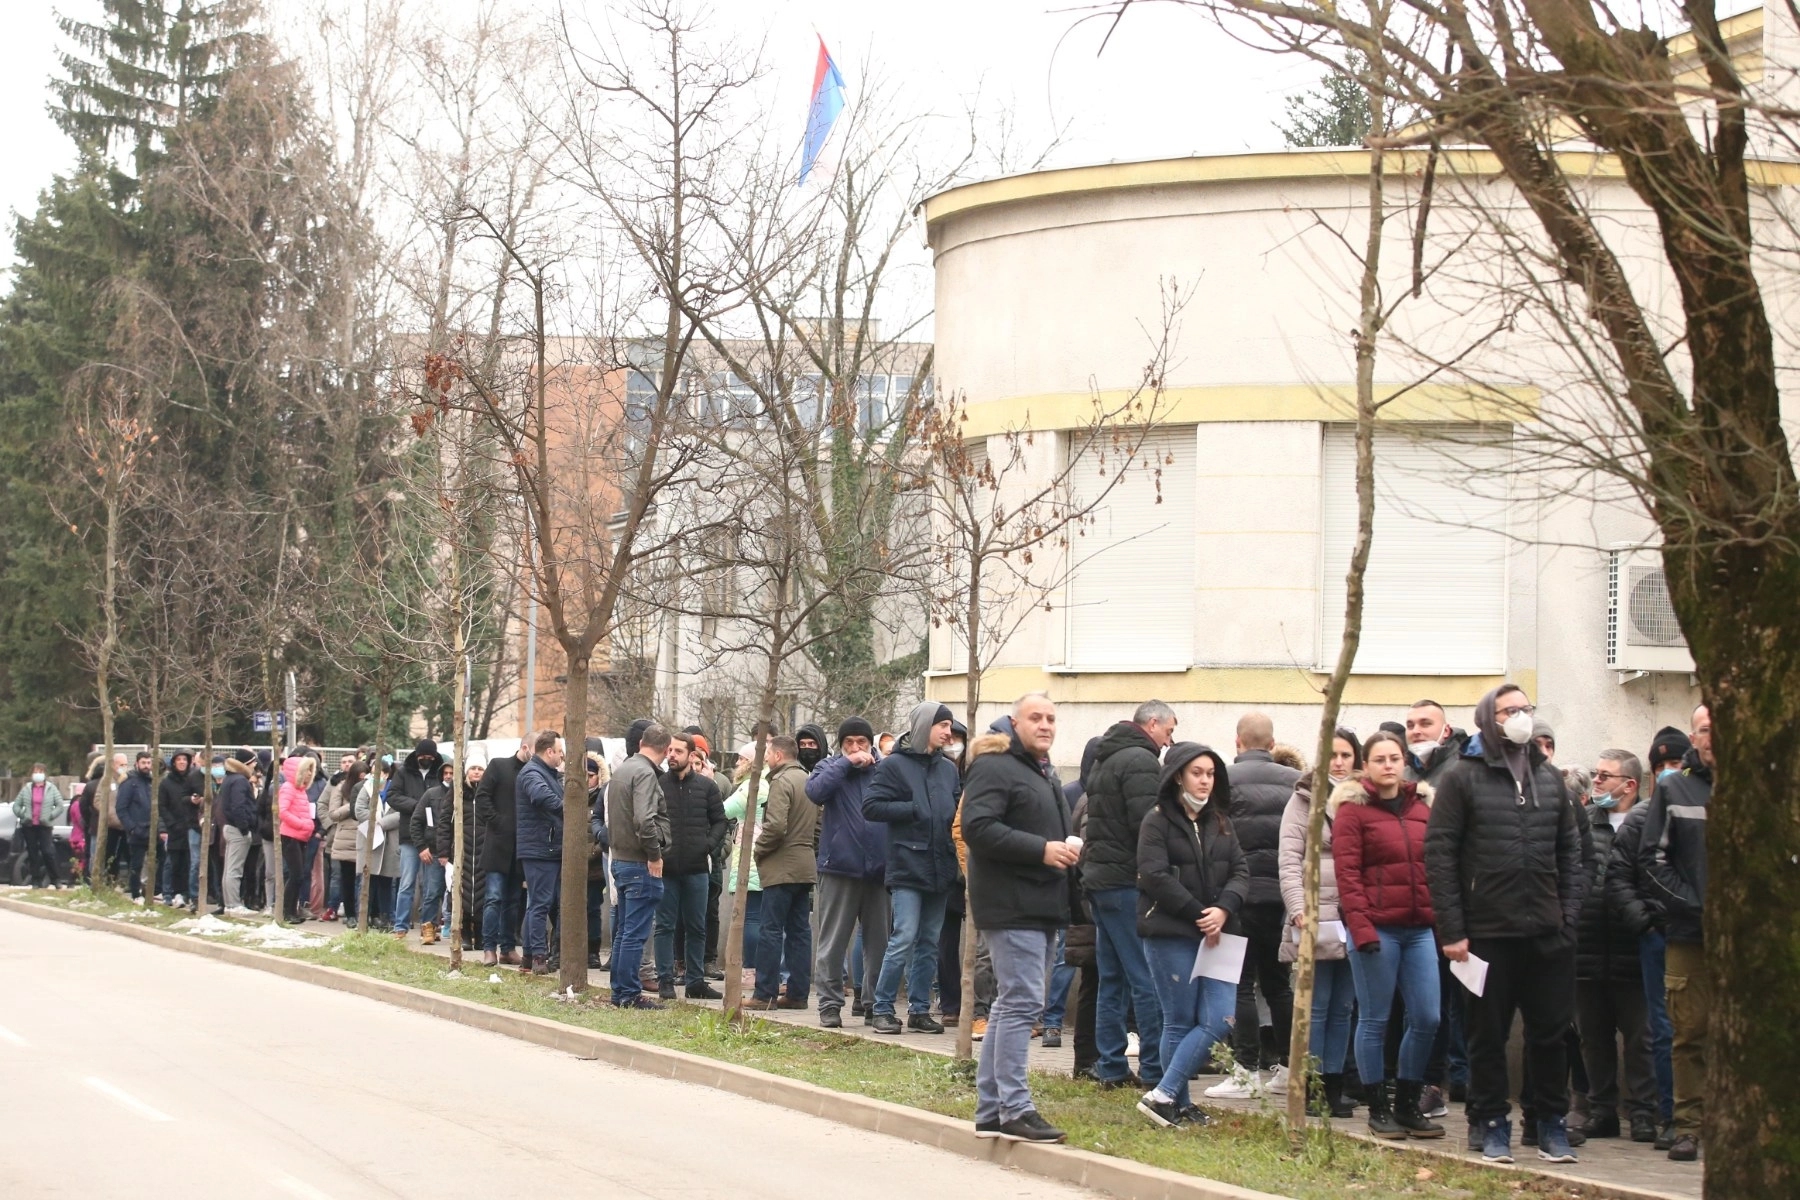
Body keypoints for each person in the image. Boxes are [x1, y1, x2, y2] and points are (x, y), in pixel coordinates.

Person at [1425, 683, 1584, 1165]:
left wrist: (1567, 919)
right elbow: (1440, 856)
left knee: (1550, 1035)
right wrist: (1453, 930)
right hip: (1486, 933)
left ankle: (1550, 1123)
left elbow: (1571, 853)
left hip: (1547, 934)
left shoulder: (1550, 778)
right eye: (1508, 710)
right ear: (1486, 720)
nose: (1519, 717)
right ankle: (1491, 1124)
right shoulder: (1461, 778)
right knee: (1487, 1036)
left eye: (1524, 708)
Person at [962, 693, 1074, 1144]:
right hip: (1010, 904)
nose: (1045, 725)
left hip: (1041, 902)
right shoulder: (995, 764)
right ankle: (1015, 1108)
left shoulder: (1042, 770)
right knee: (1022, 1003)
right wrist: (1041, 850)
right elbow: (978, 828)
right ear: (1014, 722)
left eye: (1051, 718)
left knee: (1013, 1003)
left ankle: (992, 1109)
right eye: (1036, 717)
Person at [1133, 740, 1248, 1129]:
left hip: (1223, 932)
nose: (1205, 781)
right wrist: (1200, 914)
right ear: (1178, 776)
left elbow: (1241, 871)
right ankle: (1178, 1104)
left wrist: (1224, 909)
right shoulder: (1156, 820)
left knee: (1221, 1019)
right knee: (1179, 1019)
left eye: (1211, 774)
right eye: (1197, 773)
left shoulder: (1221, 821)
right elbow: (1154, 875)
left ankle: (1162, 1094)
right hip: (1172, 931)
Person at [1334, 731, 1443, 1139]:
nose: (1388, 766)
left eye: (1394, 758)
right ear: (1366, 766)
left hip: (1419, 929)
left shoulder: (1422, 808)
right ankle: (1378, 1107)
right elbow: (1347, 875)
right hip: (1376, 929)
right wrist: (1361, 929)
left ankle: (1408, 1104)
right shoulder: (1352, 811)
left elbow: (1436, 867)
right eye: (1379, 759)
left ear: (1404, 762)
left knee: (1427, 1016)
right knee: (1375, 1019)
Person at [1079, 700, 1176, 1089]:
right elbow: (1148, 827)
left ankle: (1112, 1066)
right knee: (1144, 977)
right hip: (1123, 883)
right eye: (1168, 731)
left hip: (1100, 881)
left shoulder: (1107, 755)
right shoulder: (1140, 760)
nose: (1169, 741)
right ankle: (1153, 1068)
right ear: (1152, 723)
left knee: (1112, 978)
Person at [1211, 712, 1300, 1098]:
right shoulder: (1295, 782)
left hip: (1238, 897)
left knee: (1240, 983)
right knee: (1279, 985)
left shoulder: (1223, 781)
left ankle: (1245, 1071)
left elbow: (1215, 843)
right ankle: (1289, 1068)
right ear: (1272, 743)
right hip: (1282, 899)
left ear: (1238, 742)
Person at [1607, 728, 1688, 1150]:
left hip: (1696, 935)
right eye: (1661, 766)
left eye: (1675, 763)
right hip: (1657, 937)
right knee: (1662, 1029)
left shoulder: (1700, 809)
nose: (1668, 771)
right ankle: (1669, 1115)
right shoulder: (1640, 819)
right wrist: (1646, 923)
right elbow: (1619, 877)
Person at [1637, 705, 1711, 1163]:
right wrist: (1697, 907)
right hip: (1690, 934)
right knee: (1688, 1033)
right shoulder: (1674, 788)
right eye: (1705, 729)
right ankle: (1688, 1126)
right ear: (1693, 736)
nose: (1713, 736)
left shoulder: (1765, 784)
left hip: (1752, 940)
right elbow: (1653, 861)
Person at [862, 701, 963, 1035]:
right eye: (942, 725)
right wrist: (913, 808)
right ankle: (882, 1008)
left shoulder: (948, 769)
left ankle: (919, 1011)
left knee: (929, 941)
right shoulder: (894, 765)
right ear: (924, 726)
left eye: (949, 725)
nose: (948, 732)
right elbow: (871, 806)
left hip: (941, 866)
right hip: (907, 865)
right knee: (903, 936)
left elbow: (957, 812)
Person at [1576, 748, 1657, 1144]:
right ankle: (1602, 1111)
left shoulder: (1648, 823)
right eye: (1596, 773)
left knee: (1641, 1038)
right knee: (1593, 1038)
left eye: (1605, 776)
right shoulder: (1584, 821)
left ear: (1629, 785)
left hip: (1632, 947)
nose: (1597, 781)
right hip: (1587, 944)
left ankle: (1643, 1113)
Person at [1279, 729, 1360, 1118]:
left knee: (1344, 1006)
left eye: (1346, 755)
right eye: (1332, 754)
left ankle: (1334, 1085)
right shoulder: (1303, 799)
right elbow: (1289, 859)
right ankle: (1310, 1085)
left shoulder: (1364, 798)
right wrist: (1298, 907)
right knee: (1317, 1005)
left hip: (1356, 917)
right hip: (1317, 916)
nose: (1339, 762)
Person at [806, 716, 888, 1028]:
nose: (856, 748)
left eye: (861, 742)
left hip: (879, 872)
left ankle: (874, 1005)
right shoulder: (829, 767)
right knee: (832, 942)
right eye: (849, 742)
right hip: (839, 868)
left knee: (879, 945)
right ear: (841, 745)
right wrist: (846, 763)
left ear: (871, 743)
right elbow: (815, 791)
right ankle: (829, 1004)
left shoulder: (884, 770)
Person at [654, 731, 726, 1000]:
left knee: (697, 926)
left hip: (697, 869)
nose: (672, 755)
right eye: (670, 751)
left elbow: (720, 821)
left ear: (691, 754)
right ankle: (665, 980)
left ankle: (695, 982)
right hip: (666, 869)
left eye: (678, 751)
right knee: (665, 926)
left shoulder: (707, 787)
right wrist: (658, 848)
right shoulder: (659, 784)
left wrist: (707, 846)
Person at [748, 737, 819, 1009]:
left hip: (781, 867)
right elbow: (819, 826)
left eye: (768, 754)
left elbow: (776, 826)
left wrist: (759, 849)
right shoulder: (808, 780)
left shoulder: (780, 781)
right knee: (800, 931)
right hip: (804, 865)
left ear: (778, 755)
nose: (766, 759)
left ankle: (764, 994)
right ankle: (798, 994)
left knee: (770, 930)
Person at [610, 725, 671, 1007]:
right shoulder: (645, 773)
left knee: (624, 932)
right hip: (639, 863)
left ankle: (620, 992)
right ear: (666, 750)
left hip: (621, 859)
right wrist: (655, 855)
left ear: (641, 742)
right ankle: (629, 994)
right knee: (634, 934)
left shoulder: (623, 769)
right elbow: (645, 820)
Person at [515, 730, 566, 976]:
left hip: (545, 847)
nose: (562, 756)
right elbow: (540, 796)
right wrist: (568, 807)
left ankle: (528, 956)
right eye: (560, 752)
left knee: (539, 903)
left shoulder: (546, 773)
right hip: (540, 849)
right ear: (549, 751)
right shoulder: (533, 773)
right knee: (540, 904)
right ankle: (538, 956)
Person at [476, 741, 529, 967]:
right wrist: (498, 821)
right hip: (498, 846)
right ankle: (489, 948)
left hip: (520, 847)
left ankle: (507, 948)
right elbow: (482, 797)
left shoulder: (532, 772)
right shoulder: (499, 766)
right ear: (525, 747)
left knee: (513, 901)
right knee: (494, 898)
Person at [387, 739, 441, 939]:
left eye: (430, 757)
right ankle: (401, 925)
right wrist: (418, 805)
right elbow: (392, 796)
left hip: (433, 838)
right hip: (409, 836)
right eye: (423, 756)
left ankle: (428, 926)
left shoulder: (438, 773)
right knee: (407, 883)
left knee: (431, 886)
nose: (427, 760)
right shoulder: (403, 772)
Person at [411, 762, 457, 945]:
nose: (448, 776)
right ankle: (428, 928)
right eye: (445, 773)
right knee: (432, 892)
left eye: (452, 773)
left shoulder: (464, 795)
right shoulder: (431, 795)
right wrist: (421, 847)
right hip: (435, 851)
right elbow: (416, 821)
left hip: (458, 852)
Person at [157, 752, 201, 907]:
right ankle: (167, 893)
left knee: (189, 862)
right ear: (173, 762)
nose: (182, 762)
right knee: (171, 862)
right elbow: (162, 806)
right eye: (179, 760)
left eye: (184, 760)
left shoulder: (192, 780)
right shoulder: (166, 783)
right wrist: (170, 824)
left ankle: (185, 893)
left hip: (190, 826)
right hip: (174, 828)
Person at [12, 765, 67, 888]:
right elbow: (16, 805)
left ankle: (56, 879)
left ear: (44, 773)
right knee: (32, 853)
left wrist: (50, 816)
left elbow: (60, 806)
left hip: (44, 825)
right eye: (36, 771)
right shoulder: (27, 788)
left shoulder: (51, 788)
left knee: (48, 852)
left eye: (40, 771)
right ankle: (35, 880)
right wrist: (23, 815)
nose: (38, 774)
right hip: (29, 825)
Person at [277, 755, 317, 924]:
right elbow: (283, 811)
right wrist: (301, 824)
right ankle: (287, 911)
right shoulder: (288, 788)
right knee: (296, 875)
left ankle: (293, 910)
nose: (309, 774)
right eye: (307, 770)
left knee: (299, 875)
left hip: (300, 836)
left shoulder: (301, 790)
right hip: (290, 836)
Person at [218, 753, 258, 914]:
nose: (255, 766)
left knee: (229, 868)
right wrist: (244, 827)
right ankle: (234, 904)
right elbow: (238, 806)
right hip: (237, 829)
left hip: (230, 827)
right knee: (234, 869)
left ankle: (229, 903)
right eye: (253, 763)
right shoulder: (240, 781)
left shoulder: (229, 779)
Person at [114, 752, 155, 900]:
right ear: (137, 764)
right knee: (136, 864)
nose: (146, 766)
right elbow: (121, 808)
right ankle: (136, 894)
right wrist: (132, 828)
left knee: (158, 862)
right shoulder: (129, 782)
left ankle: (151, 891)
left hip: (153, 830)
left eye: (148, 763)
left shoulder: (152, 782)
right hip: (137, 831)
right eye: (143, 763)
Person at [327, 761, 365, 923]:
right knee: (347, 879)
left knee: (363, 881)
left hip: (364, 836)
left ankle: (363, 914)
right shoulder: (341, 788)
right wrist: (354, 805)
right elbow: (333, 814)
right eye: (359, 778)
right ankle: (350, 915)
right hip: (346, 840)